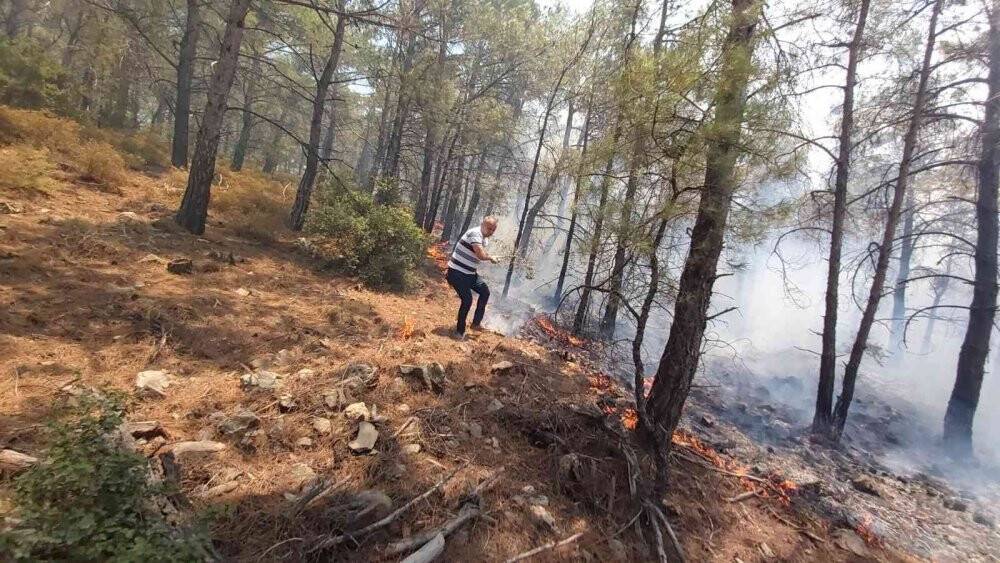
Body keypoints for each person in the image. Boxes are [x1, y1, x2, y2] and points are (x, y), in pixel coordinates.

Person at [446, 216, 499, 338]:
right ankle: (459, 331)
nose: (491, 232)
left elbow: (478, 253)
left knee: (485, 292)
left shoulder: (484, 238)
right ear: (482, 225)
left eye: (493, 230)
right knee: (467, 300)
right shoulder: (475, 233)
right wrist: (491, 257)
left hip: (469, 274)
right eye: (489, 228)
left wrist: (490, 256)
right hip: (457, 273)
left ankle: (475, 324)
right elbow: (480, 254)